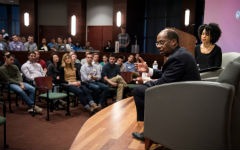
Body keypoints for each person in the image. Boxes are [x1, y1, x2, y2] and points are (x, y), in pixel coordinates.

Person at [132, 28, 201, 141]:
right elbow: (167, 74)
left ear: (173, 42)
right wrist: (148, 70)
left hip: (184, 99)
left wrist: (145, 81)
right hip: (185, 93)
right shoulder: (181, 53)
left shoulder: (177, 58)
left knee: (139, 91)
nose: (158, 46)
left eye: (161, 42)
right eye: (157, 43)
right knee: (143, 89)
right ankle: (151, 127)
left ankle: (150, 131)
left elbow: (163, 83)